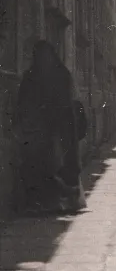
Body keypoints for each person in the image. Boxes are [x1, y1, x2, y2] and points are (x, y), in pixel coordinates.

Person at [13, 39, 86, 214]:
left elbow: (67, 104)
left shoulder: (57, 74)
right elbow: (23, 103)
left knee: (57, 165)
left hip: (57, 129)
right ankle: (48, 201)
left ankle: (60, 200)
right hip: (42, 130)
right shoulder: (35, 75)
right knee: (42, 166)